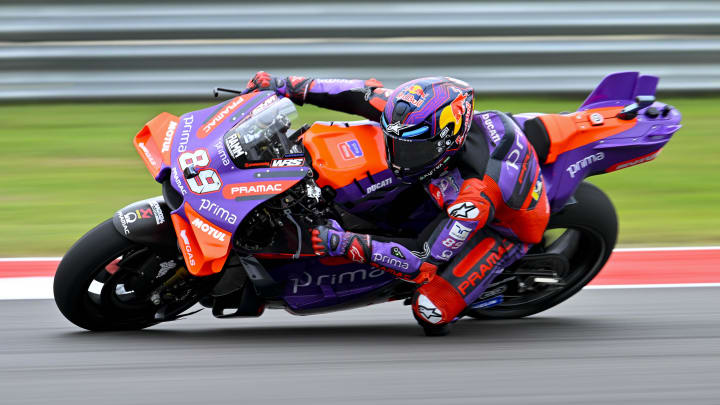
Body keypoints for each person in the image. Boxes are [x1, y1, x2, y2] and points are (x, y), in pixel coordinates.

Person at [243, 71, 550, 335]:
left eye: (411, 149)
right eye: (393, 141)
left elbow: (422, 261)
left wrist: (342, 242)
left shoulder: (473, 197)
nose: (397, 154)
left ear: (447, 141)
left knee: (430, 311)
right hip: (460, 177)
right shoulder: (413, 117)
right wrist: (284, 85)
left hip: (505, 231)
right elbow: (354, 93)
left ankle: (487, 286)